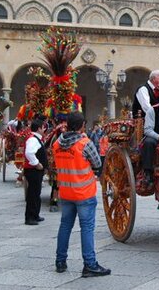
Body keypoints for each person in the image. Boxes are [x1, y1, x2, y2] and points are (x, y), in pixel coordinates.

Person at [53, 111, 110, 277]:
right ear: (81, 126)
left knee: (65, 226)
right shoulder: (84, 143)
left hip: (66, 192)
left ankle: (60, 261)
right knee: (87, 228)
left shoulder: (57, 143)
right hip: (83, 193)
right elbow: (97, 162)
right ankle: (90, 264)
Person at [23, 119, 48, 225]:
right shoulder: (33, 140)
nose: (45, 129)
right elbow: (29, 153)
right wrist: (37, 163)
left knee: (36, 193)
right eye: (43, 127)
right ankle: (30, 217)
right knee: (33, 194)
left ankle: (35, 215)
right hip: (33, 170)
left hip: (35, 171)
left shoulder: (36, 138)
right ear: (38, 128)